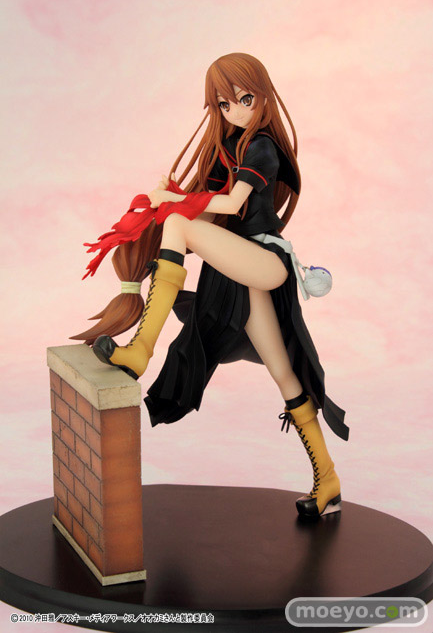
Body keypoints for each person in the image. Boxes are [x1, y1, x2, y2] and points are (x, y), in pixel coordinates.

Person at [72, 53, 349, 519]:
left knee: (178, 223)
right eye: (223, 104)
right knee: (284, 374)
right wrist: (176, 196)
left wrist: (173, 201)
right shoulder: (232, 147)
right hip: (241, 270)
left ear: (263, 94)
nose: (235, 111)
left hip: (265, 262)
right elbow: (211, 207)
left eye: (244, 99)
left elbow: (233, 203)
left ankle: (141, 350)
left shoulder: (262, 146)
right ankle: (329, 479)